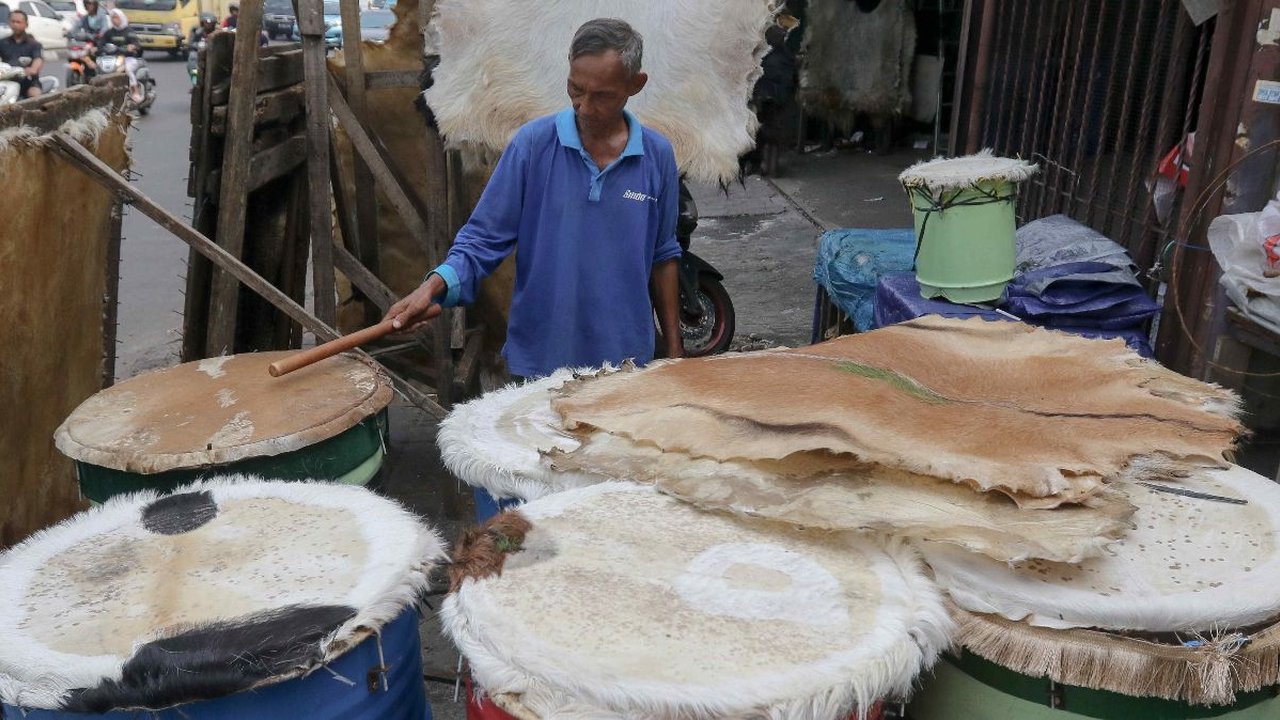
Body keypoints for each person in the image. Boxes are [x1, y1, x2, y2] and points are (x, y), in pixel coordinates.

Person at [384, 18, 683, 380]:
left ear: (635, 85)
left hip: (626, 361)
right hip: (541, 361)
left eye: (601, 95)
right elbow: (482, 239)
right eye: (575, 88)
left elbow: (663, 255)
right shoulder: (533, 145)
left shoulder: (656, 155)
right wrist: (432, 288)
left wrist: (674, 350)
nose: (584, 106)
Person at [99, 9, 143, 103]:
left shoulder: (129, 31)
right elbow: (101, 43)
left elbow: (136, 43)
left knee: (127, 69)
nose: (114, 20)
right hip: (113, 58)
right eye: (112, 18)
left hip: (128, 58)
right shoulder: (109, 32)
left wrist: (132, 47)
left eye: (116, 17)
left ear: (121, 18)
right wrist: (97, 48)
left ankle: (135, 91)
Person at [0, 11, 44, 99]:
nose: (15, 24)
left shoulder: (34, 44)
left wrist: (33, 69)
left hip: (28, 81)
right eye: (13, 21)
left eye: (18, 22)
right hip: (7, 80)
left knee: (34, 95)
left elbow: (38, 59)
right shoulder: (2, 42)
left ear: (26, 24)